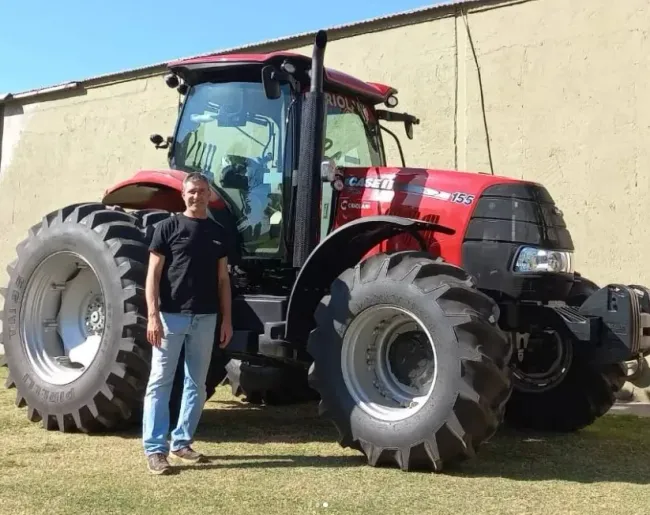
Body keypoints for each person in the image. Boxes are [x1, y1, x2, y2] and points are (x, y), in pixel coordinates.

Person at [142, 171, 233, 475]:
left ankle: (181, 442)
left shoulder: (218, 233)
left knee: (197, 384)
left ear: (209, 195)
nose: (197, 196)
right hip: (171, 318)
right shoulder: (166, 228)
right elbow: (152, 277)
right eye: (192, 191)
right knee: (160, 382)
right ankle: (155, 449)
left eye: (203, 191)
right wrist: (153, 316)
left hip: (206, 319)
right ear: (184, 194)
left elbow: (223, 281)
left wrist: (226, 320)